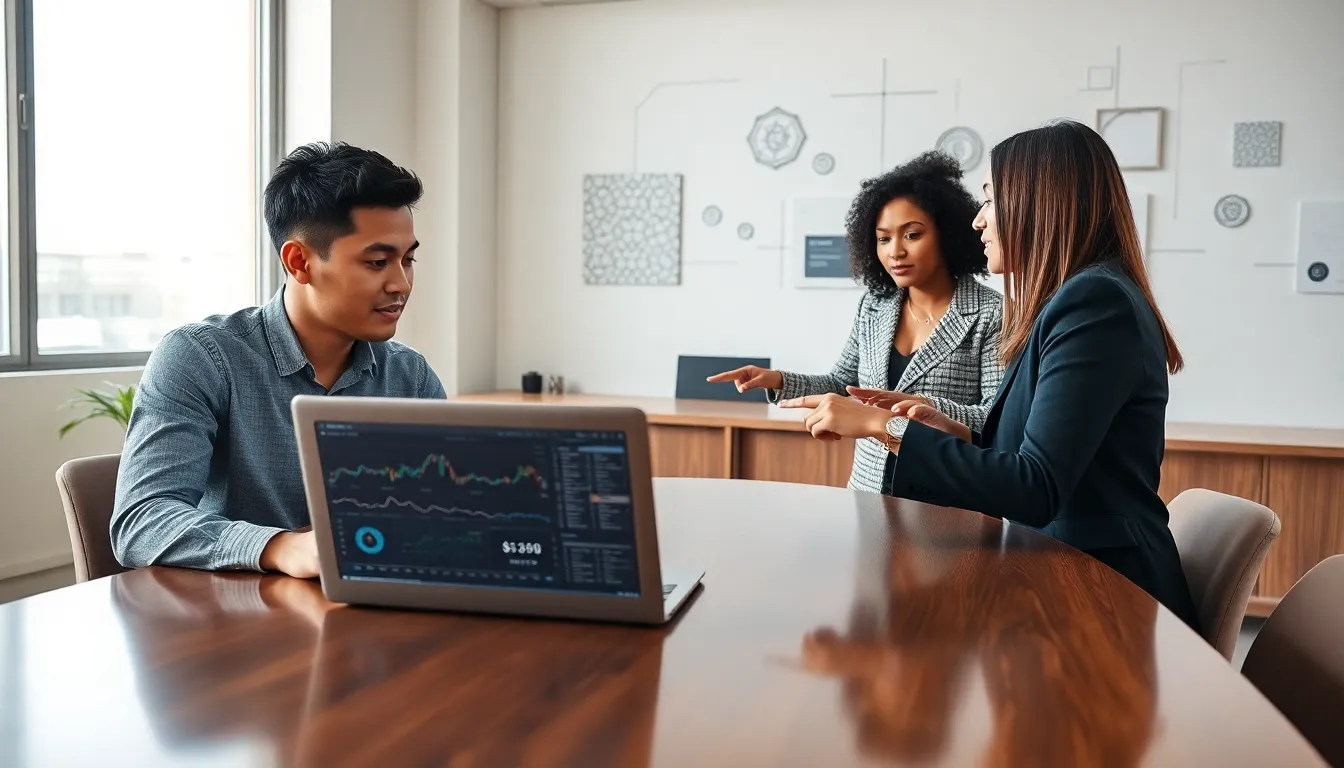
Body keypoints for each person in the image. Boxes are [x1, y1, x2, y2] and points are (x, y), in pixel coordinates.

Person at [779, 120, 1202, 631]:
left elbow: (1036, 487)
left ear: (1040, 204)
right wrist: (955, 430)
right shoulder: (1072, 300)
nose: (978, 221)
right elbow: (1030, 450)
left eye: (990, 200)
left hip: (1102, 598)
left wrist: (881, 426)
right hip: (1060, 578)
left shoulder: (1093, 303)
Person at [111, 141, 444, 579]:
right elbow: (142, 520)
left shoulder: (410, 377)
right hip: (235, 610)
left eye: (408, 259)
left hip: (370, 604)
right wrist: (279, 547)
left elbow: (450, 511)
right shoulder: (201, 358)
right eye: (378, 262)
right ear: (299, 261)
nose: (401, 283)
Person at [707, 151, 1004, 493]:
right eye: (883, 238)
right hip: (866, 493)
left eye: (912, 235)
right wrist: (776, 380)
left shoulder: (990, 313)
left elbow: (993, 420)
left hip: (944, 499)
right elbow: (842, 383)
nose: (895, 251)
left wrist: (918, 411)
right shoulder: (874, 306)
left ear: (946, 234)